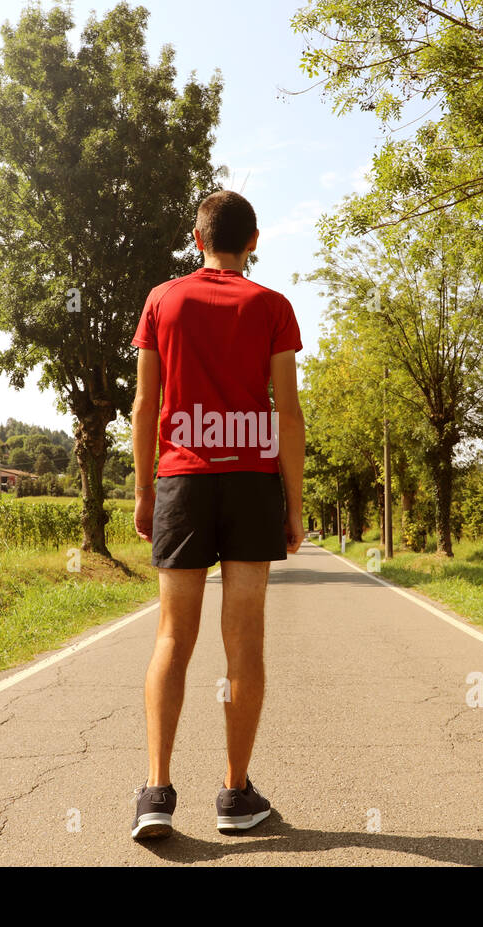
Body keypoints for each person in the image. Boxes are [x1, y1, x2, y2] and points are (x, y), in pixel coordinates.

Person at [128, 190, 305, 840]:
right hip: (252, 482)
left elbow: (147, 406)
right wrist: (295, 504)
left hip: (182, 480)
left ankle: (155, 793)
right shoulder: (271, 307)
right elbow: (287, 413)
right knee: (244, 641)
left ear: (195, 237)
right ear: (253, 241)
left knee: (173, 636)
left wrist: (146, 490)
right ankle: (235, 795)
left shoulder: (162, 301)